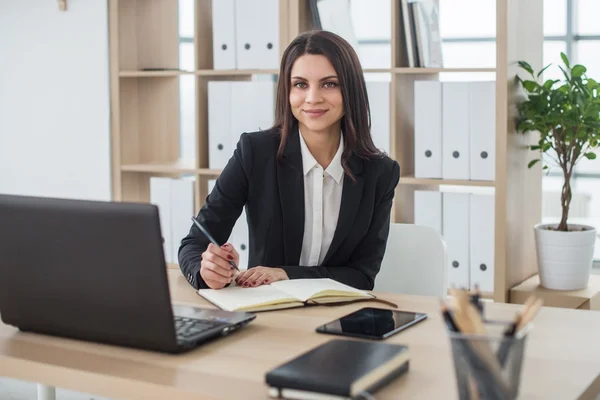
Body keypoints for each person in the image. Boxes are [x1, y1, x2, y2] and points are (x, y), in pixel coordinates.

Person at [178, 30, 400, 291]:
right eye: (300, 84)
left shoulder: (380, 174)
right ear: (287, 90)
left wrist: (285, 274)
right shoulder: (254, 153)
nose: (312, 98)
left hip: (339, 315)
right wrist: (207, 270)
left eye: (329, 83)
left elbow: (362, 276)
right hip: (267, 311)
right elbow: (193, 244)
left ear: (350, 89)